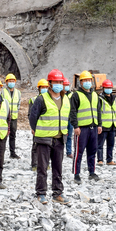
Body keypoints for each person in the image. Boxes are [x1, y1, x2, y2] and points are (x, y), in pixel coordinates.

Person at [29, 69, 70, 205]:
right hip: (44, 139)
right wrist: (37, 130)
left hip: (59, 139)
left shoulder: (66, 100)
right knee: (43, 168)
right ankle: (41, 193)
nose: (58, 84)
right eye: (55, 82)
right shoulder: (42, 99)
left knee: (58, 168)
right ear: (50, 83)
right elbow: (33, 118)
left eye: (60, 82)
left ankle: (57, 193)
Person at [70, 71, 102, 183]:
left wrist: (99, 124)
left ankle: (91, 172)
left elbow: (98, 111)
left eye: (89, 80)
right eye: (85, 80)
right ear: (81, 82)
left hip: (93, 128)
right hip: (82, 128)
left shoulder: (95, 95)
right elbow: (72, 112)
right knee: (79, 152)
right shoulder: (76, 95)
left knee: (92, 151)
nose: (88, 82)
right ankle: (76, 174)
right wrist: (75, 126)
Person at [97, 79, 116, 166]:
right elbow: (98, 112)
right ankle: (100, 160)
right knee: (100, 144)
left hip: (112, 126)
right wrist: (99, 125)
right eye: (107, 87)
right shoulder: (100, 99)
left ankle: (109, 160)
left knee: (111, 144)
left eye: (110, 87)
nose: (108, 89)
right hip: (103, 126)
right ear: (103, 88)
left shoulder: (114, 99)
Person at [28, 79, 49, 172]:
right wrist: (33, 127)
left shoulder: (50, 99)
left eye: (46, 87)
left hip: (48, 127)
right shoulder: (33, 100)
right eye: (42, 87)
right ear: (39, 88)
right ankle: (35, 164)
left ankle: (46, 164)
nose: (44, 89)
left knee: (48, 146)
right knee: (36, 146)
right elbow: (30, 115)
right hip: (37, 127)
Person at [3, 73, 21, 159]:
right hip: (4, 118)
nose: (11, 82)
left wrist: (16, 111)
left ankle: (12, 152)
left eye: (13, 81)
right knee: (3, 135)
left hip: (14, 117)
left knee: (13, 135)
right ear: (6, 82)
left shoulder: (18, 92)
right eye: (10, 81)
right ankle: (1, 152)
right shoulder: (3, 92)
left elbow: (19, 103)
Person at [64, 78, 74, 158]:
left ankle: (69, 152)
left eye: (67, 85)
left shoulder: (72, 95)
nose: (66, 87)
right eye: (65, 85)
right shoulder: (59, 96)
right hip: (62, 119)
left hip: (70, 119)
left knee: (69, 136)